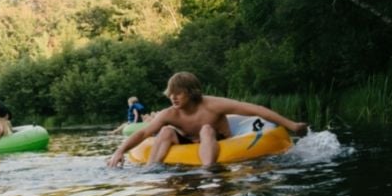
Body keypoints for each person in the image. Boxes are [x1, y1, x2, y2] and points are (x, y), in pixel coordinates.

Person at [107, 72, 309, 167]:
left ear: (191, 92)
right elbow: (143, 132)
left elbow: (255, 109)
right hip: (188, 141)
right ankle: (152, 171)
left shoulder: (213, 105)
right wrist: (119, 151)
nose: (173, 98)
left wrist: (292, 125)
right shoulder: (170, 113)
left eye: (178, 93)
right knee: (166, 131)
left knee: (206, 129)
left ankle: (207, 170)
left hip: (220, 140)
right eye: (171, 94)